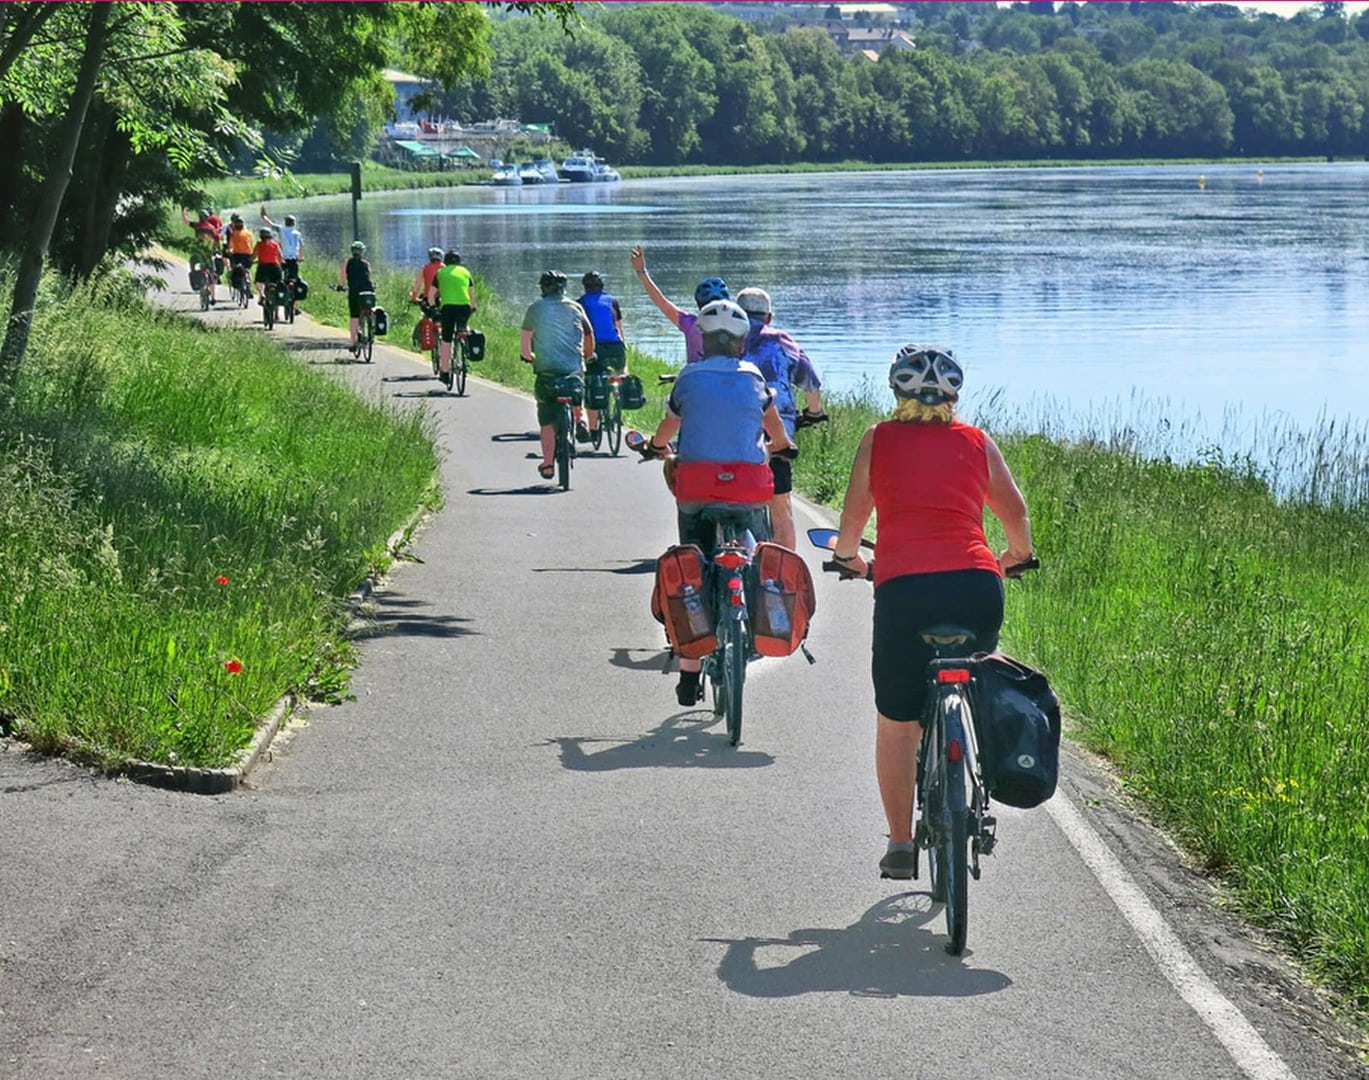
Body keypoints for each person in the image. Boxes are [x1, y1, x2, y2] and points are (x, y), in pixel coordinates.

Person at [829, 345, 1033, 881]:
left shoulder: (878, 438)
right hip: (976, 585)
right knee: (971, 679)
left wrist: (849, 558)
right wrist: (1016, 558)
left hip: (904, 591)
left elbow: (852, 520)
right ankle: (973, 767)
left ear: (896, 392)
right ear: (952, 396)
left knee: (898, 723)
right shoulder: (976, 441)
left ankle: (900, 843)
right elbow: (1015, 513)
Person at [640, 299, 796, 706]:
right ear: (741, 343)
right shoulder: (753, 377)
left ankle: (690, 671)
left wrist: (657, 447)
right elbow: (774, 428)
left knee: (694, 563)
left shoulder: (689, 378)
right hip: (748, 488)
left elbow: (669, 427)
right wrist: (782, 446)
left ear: (705, 342)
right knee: (760, 552)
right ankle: (759, 617)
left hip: (696, 488)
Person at [735, 287, 827, 550]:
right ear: (769, 317)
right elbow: (811, 384)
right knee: (781, 506)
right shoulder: (783, 341)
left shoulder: (727, 337)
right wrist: (813, 412)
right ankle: (784, 573)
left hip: (734, 429)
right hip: (778, 434)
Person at [520, 270, 594, 479]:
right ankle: (581, 422)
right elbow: (589, 335)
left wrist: (530, 357)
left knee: (546, 422)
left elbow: (525, 346)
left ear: (543, 288)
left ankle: (548, 464)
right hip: (573, 371)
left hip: (547, 374)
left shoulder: (535, 309)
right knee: (577, 400)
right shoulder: (576, 307)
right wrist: (587, 356)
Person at [629, 244, 728, 364]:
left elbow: (662, 303)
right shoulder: (738, 328)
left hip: (695, 380)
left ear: (699, 304)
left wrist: (641, 272)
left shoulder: (691, 325)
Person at [576, 270, 627, 436]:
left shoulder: (580, 303)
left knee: (593, 383)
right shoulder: (613, 301)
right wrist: (623, 347)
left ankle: (594, 429)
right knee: (620, 371)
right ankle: (619, 400)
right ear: (602, 286)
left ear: (585, 287)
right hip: (615, 346)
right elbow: (619, 327)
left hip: (596, 347)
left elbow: (581, 331)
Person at [427, 249, 477, 381]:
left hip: (448, 308)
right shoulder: (466, 272)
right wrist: (472, 308)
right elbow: (472, 296)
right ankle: (465, 351)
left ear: (446, 262)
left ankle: (444, 372)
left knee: (446, 340)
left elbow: (431, 296)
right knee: (463, 327)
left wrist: (433, 308)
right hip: (464, 308)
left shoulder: (440, 273)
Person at [339, 240, 376, 355]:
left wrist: (340, 286)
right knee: (369, 310)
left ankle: (353, 343)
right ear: (362, 252)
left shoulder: (347, 263)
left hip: (354, 293)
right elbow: (369, 277)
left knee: (354, 317)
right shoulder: (366, 264)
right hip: (367, 292)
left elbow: (343, 277)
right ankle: (370, 330)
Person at [259, 206, 303, 301]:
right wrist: (300, 257)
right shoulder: (297, 233)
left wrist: (263, 215)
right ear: (294, 223)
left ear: (285, 222)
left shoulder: (281, 229)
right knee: (293, 280)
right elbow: (301, 246)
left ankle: (275, 295)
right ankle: (295, 306)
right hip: (293, 259)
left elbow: (269, 224)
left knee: (278, 279)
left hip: (281, 259)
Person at [181, 207, 223, 304]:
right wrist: (218, 250)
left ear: (200, 217)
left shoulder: (197, 226)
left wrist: (183, 212)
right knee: (212, 275)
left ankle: (195, 278)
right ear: (207, 218)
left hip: (198, 253)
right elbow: (217, 240)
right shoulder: (212, 229)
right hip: (208, 254)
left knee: (192, 263)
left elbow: (186, 221)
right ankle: (213, 298)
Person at [252, 227, 284, 305]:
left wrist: (252, 260)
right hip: (275, 266)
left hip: (263, 266)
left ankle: (261, 294)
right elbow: (280, 256)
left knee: (259, 282)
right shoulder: (275, 244)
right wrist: (280, 263)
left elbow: (254, 255)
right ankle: (278, 296)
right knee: (278, 282)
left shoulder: (259, 244)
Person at [224, 214, 255, 296]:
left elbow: (230, 247)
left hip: (238, 255)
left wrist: (229, 251)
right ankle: (249, 286)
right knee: (247, 269)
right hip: (248, 255)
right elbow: (251, 244)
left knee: (235, 267)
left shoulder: (233, 234)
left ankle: (238, 282)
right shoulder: (249, 234)